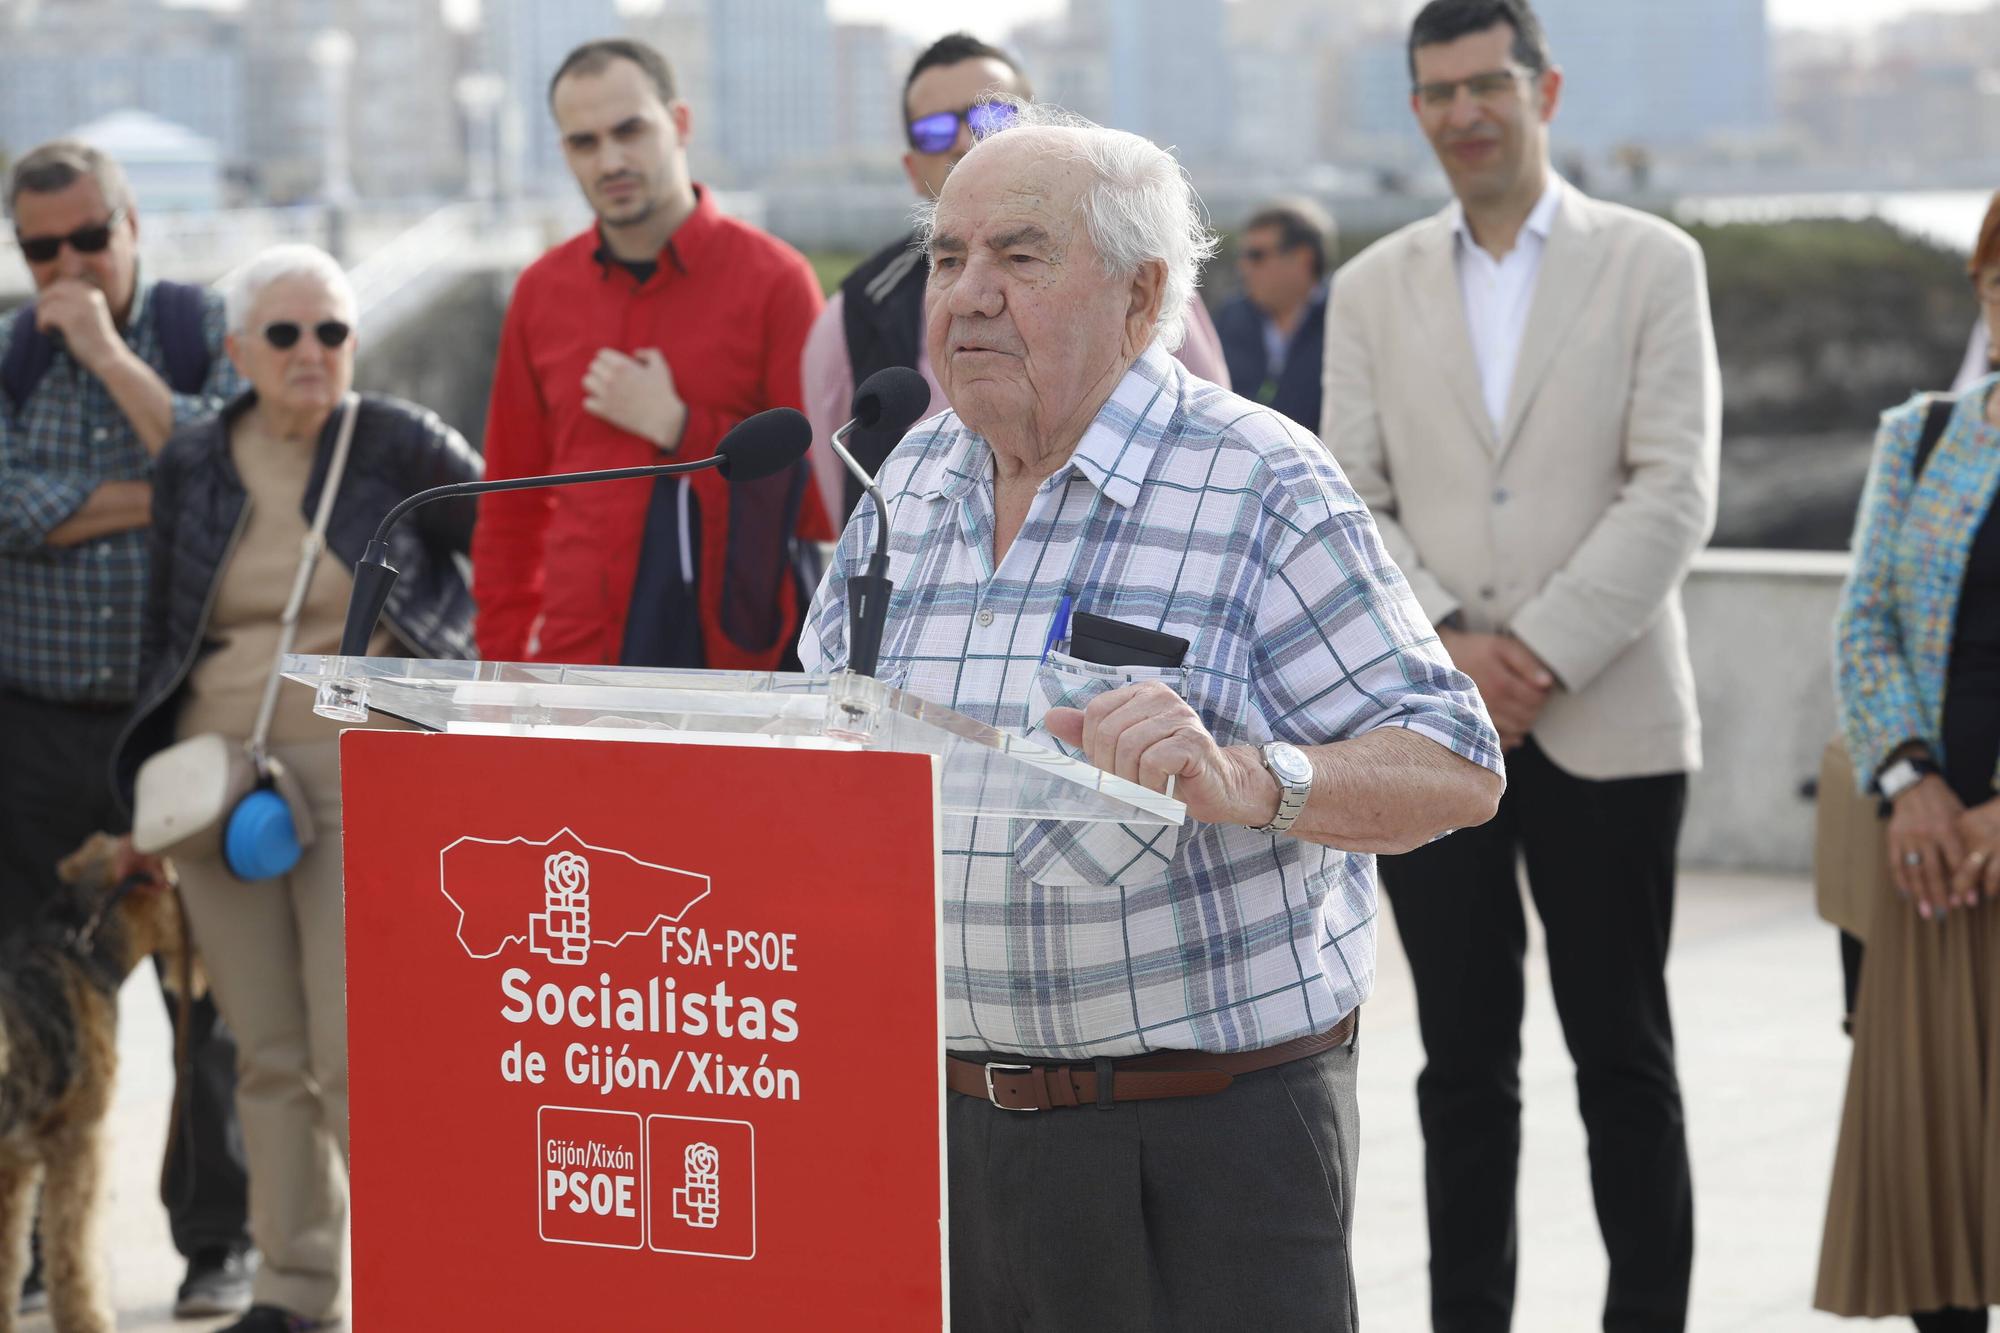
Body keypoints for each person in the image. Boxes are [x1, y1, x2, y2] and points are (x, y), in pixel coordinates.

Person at [801, 100, 1505, 1331]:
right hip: (942, 1132)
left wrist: (1246, 781)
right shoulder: (905, 475)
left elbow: (1454, 761)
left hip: (1204, 1143)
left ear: (1140, 300)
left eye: (1017, 258)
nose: (963, 294)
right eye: (947, 255)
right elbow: (817, 731)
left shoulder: (1260, 479)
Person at [1319, 2, 1720, 1329]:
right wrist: (1447, 639)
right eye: (1436, 93)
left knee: (1625, 1058)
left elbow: (1675, 488)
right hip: (1431, 727)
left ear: (1543, 86)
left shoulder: (1653, 262)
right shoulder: (1371, 287)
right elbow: (1350, 495)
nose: (1462, 114)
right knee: (1461, 1069)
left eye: (1486, 84)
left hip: (1608, 718)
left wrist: (1535, 650)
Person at [109, 243, 479, 1333]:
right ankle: (293, 1286)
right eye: (284, 334)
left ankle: (418, 1282)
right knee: (258, 1047)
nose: (311, 352)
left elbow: (514, 538)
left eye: (332, 331)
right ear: (237, 352)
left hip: (366, 763)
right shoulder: (191, 460)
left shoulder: (400, 439)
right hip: (217, 778)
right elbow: (163, 630)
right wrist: (134, 791)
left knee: (357, 1045)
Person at [0, 138, 254, 1319]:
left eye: (89, 240)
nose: (68, 268)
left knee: (201, 987)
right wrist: (154, 487)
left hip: (169, 721)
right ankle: (36, 1242)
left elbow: (224, 478)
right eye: (41, 248)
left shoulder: (201, 333)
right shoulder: (8, 360)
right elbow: (13, 513)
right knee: (30, 991)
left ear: (132, 223)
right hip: (36, 727)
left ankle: (215, 1236)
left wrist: (108, 360)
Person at [474, 37, 830, 670]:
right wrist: (502, 663)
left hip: (728, 672)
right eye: (584, 142)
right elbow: (510, 504)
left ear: (680, 123)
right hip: (570, 665)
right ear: (565, 153)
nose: (610, 159)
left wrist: (678, 427)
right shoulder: (541, 292)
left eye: (629, 130)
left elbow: (820, 502)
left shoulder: (775, 280)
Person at [799, 32, 1232, 525]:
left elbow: (1205, 431)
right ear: (910, 166)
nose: (966, 142)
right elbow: (846, 502)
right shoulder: (853, 318)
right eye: (935, 132)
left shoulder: (1128, 277)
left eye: (993, 118)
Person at [1816, 190, 2000, 1333]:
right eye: (1997, 283)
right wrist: (1911, 782)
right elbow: (1861, 623)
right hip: (1927, 859)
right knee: (1936, 1206)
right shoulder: (1925, 432)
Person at [1215, 198, 1334, 430]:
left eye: (1256, 255)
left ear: (1303, 258)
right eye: (1243, 255)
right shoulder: (1230, 319)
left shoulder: (1344, 321)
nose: (1244, 266)